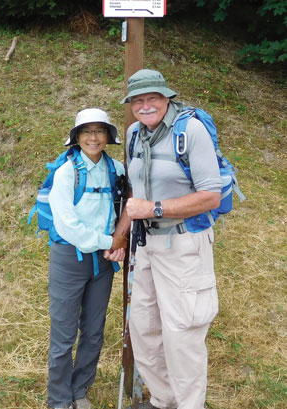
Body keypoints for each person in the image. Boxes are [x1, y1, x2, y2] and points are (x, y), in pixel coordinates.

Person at [113, 69, 223, 409]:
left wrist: (155, 208)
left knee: (181, 335)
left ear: (166, 97)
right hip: (144, 247)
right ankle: (164, 400)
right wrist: (119, 238)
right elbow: (135, 195)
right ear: (131, 104)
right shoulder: (134, 133)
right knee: (144, 330)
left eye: (152, 98)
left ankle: (190, 405)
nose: (145, 106)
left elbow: (210, 196)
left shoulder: (191, 131)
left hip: (184, 245)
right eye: (138, 100)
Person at [47, 108, 127, 409]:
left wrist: (119, 244)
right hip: (70, 258)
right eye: (87, 132)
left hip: (103, 261)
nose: (94, 137)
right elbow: (67, 225)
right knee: (63, 334)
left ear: (108, 136)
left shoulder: (117, 169)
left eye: (100, 131)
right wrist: (110, 241)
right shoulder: (67, 172)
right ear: (77, 137)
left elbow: (124, 213)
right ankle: (58, 400)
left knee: (94, 331)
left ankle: (79, 391)